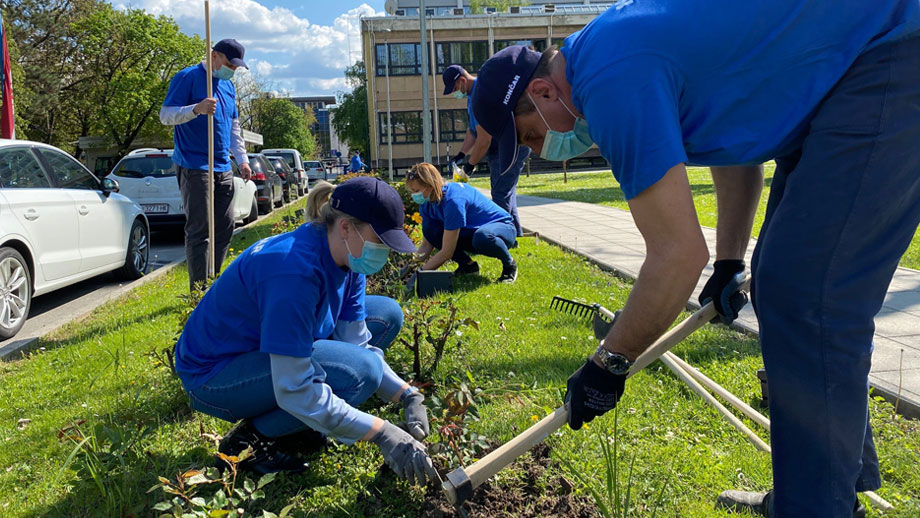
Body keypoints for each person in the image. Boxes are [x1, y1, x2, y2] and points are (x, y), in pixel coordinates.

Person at [470, 1, 920, 516]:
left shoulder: (610, 84)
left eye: (530, 135)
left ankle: (817, 507)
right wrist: (730, 262)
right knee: (783, 286)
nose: (542, 148)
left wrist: (609, 363)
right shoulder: (611, 51)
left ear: (544, 91)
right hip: (834, 79)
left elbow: (677, 256)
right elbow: (733, 143)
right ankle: (823, 493)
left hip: (884, 53)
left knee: (807, 295)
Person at [173, 176, 439, 484]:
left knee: (384, 315)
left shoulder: (347, 257)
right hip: (214, 375)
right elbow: (295, 387)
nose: (384, 251)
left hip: (263, 351)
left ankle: (301, 425)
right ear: (345, 227)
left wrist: (408, 395)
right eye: (379, 240)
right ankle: (251, 440)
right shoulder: (293, 271)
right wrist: (382, 432)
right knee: (359, 374)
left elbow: (359, 344)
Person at [160, 39, 253, 291]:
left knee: (225, 227)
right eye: (229, 64)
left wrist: (242, 160)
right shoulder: (188, 77)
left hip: (223, 165)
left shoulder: (228, 87)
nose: (232, 70)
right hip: (194, 164)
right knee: (200, 229)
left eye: (236, 67)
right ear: (214, 56)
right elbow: (165, 115)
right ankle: (198, 291)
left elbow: (234, 129)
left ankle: (213, 283)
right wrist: (196, 109)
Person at [442, 64, 531, 237]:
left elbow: (484, 140)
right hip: (501, 149)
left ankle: (504, 237)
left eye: (454, 89)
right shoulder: (472, 97)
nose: (455, 93)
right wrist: (460, 155)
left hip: (510, 148)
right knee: (504, 192)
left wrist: (469, 165)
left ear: (462, 80)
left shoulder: (482, 93)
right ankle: (515, 234)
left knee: (500, 195)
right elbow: (473, 132)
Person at [406, 162, 518, 283]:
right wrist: (407, 267)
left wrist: (419, 275)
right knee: (431, 230)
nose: (413, 195)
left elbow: (446, 252)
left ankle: (509, 265)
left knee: (483, 237)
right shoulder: (427, 203)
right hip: (471, 232)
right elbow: (427, 244)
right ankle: (467, 266)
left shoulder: (453, 201)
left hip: (503, 229)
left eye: (416, 190)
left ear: (429, 186)